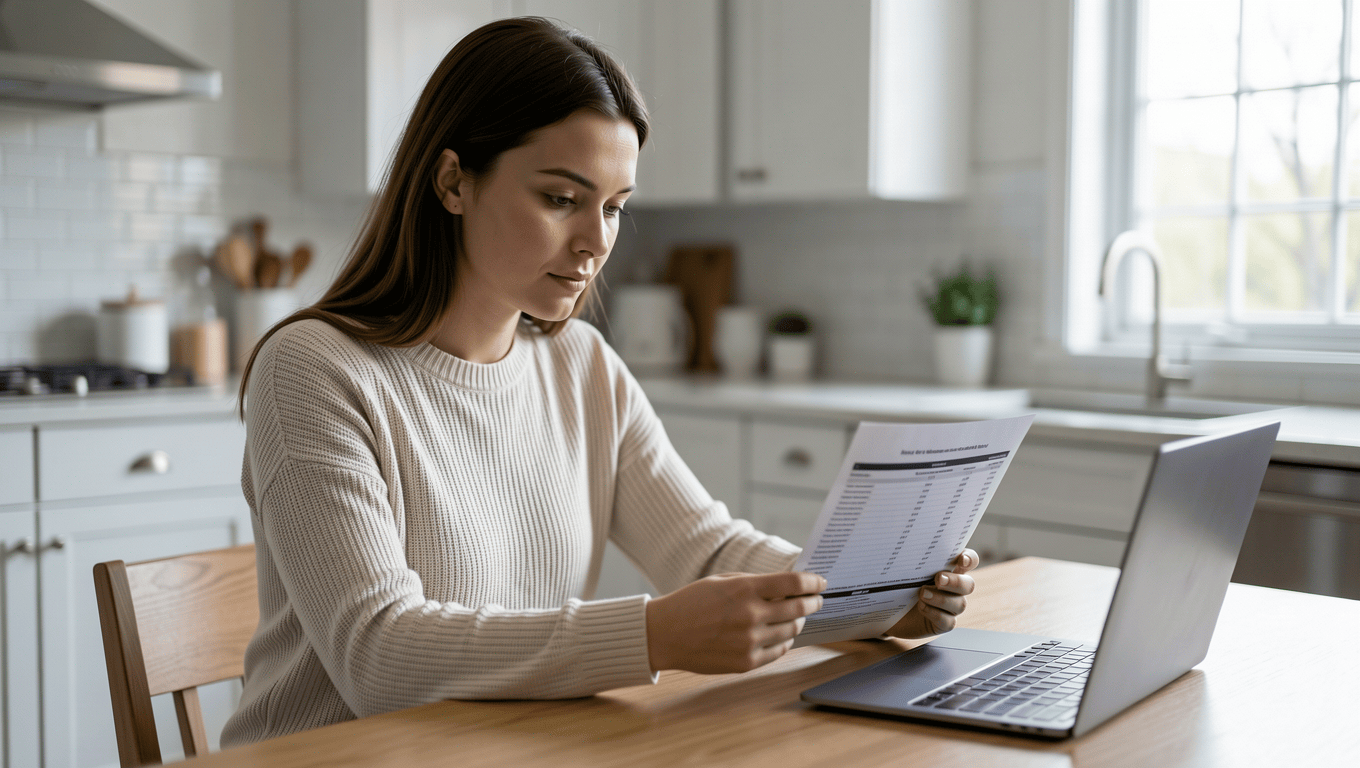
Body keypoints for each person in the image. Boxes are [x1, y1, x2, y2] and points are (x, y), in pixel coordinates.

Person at [220, 16, 977, 747]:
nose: (595, 242)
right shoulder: (315, 369)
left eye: (614, 207)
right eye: (560, 199)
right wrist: (651, 635)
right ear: (453, 181)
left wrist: (875, 597)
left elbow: (706, 551)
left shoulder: (581, 364)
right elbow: (379, 656)